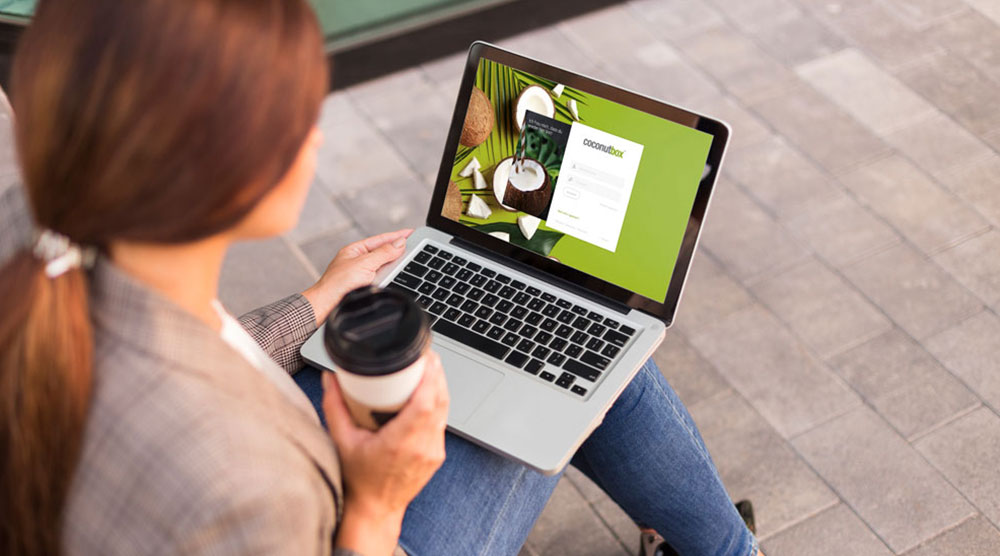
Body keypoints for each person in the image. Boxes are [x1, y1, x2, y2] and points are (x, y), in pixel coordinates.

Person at [0, 1, 759, 555]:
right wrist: (377, 504)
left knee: (581, 337)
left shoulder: (35, 251)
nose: (317, 132)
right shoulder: (240, 487)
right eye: (301, 112)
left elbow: (211, 350)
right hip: (352, 530)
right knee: (597, 362)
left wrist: (311, 305)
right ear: (232, 169)